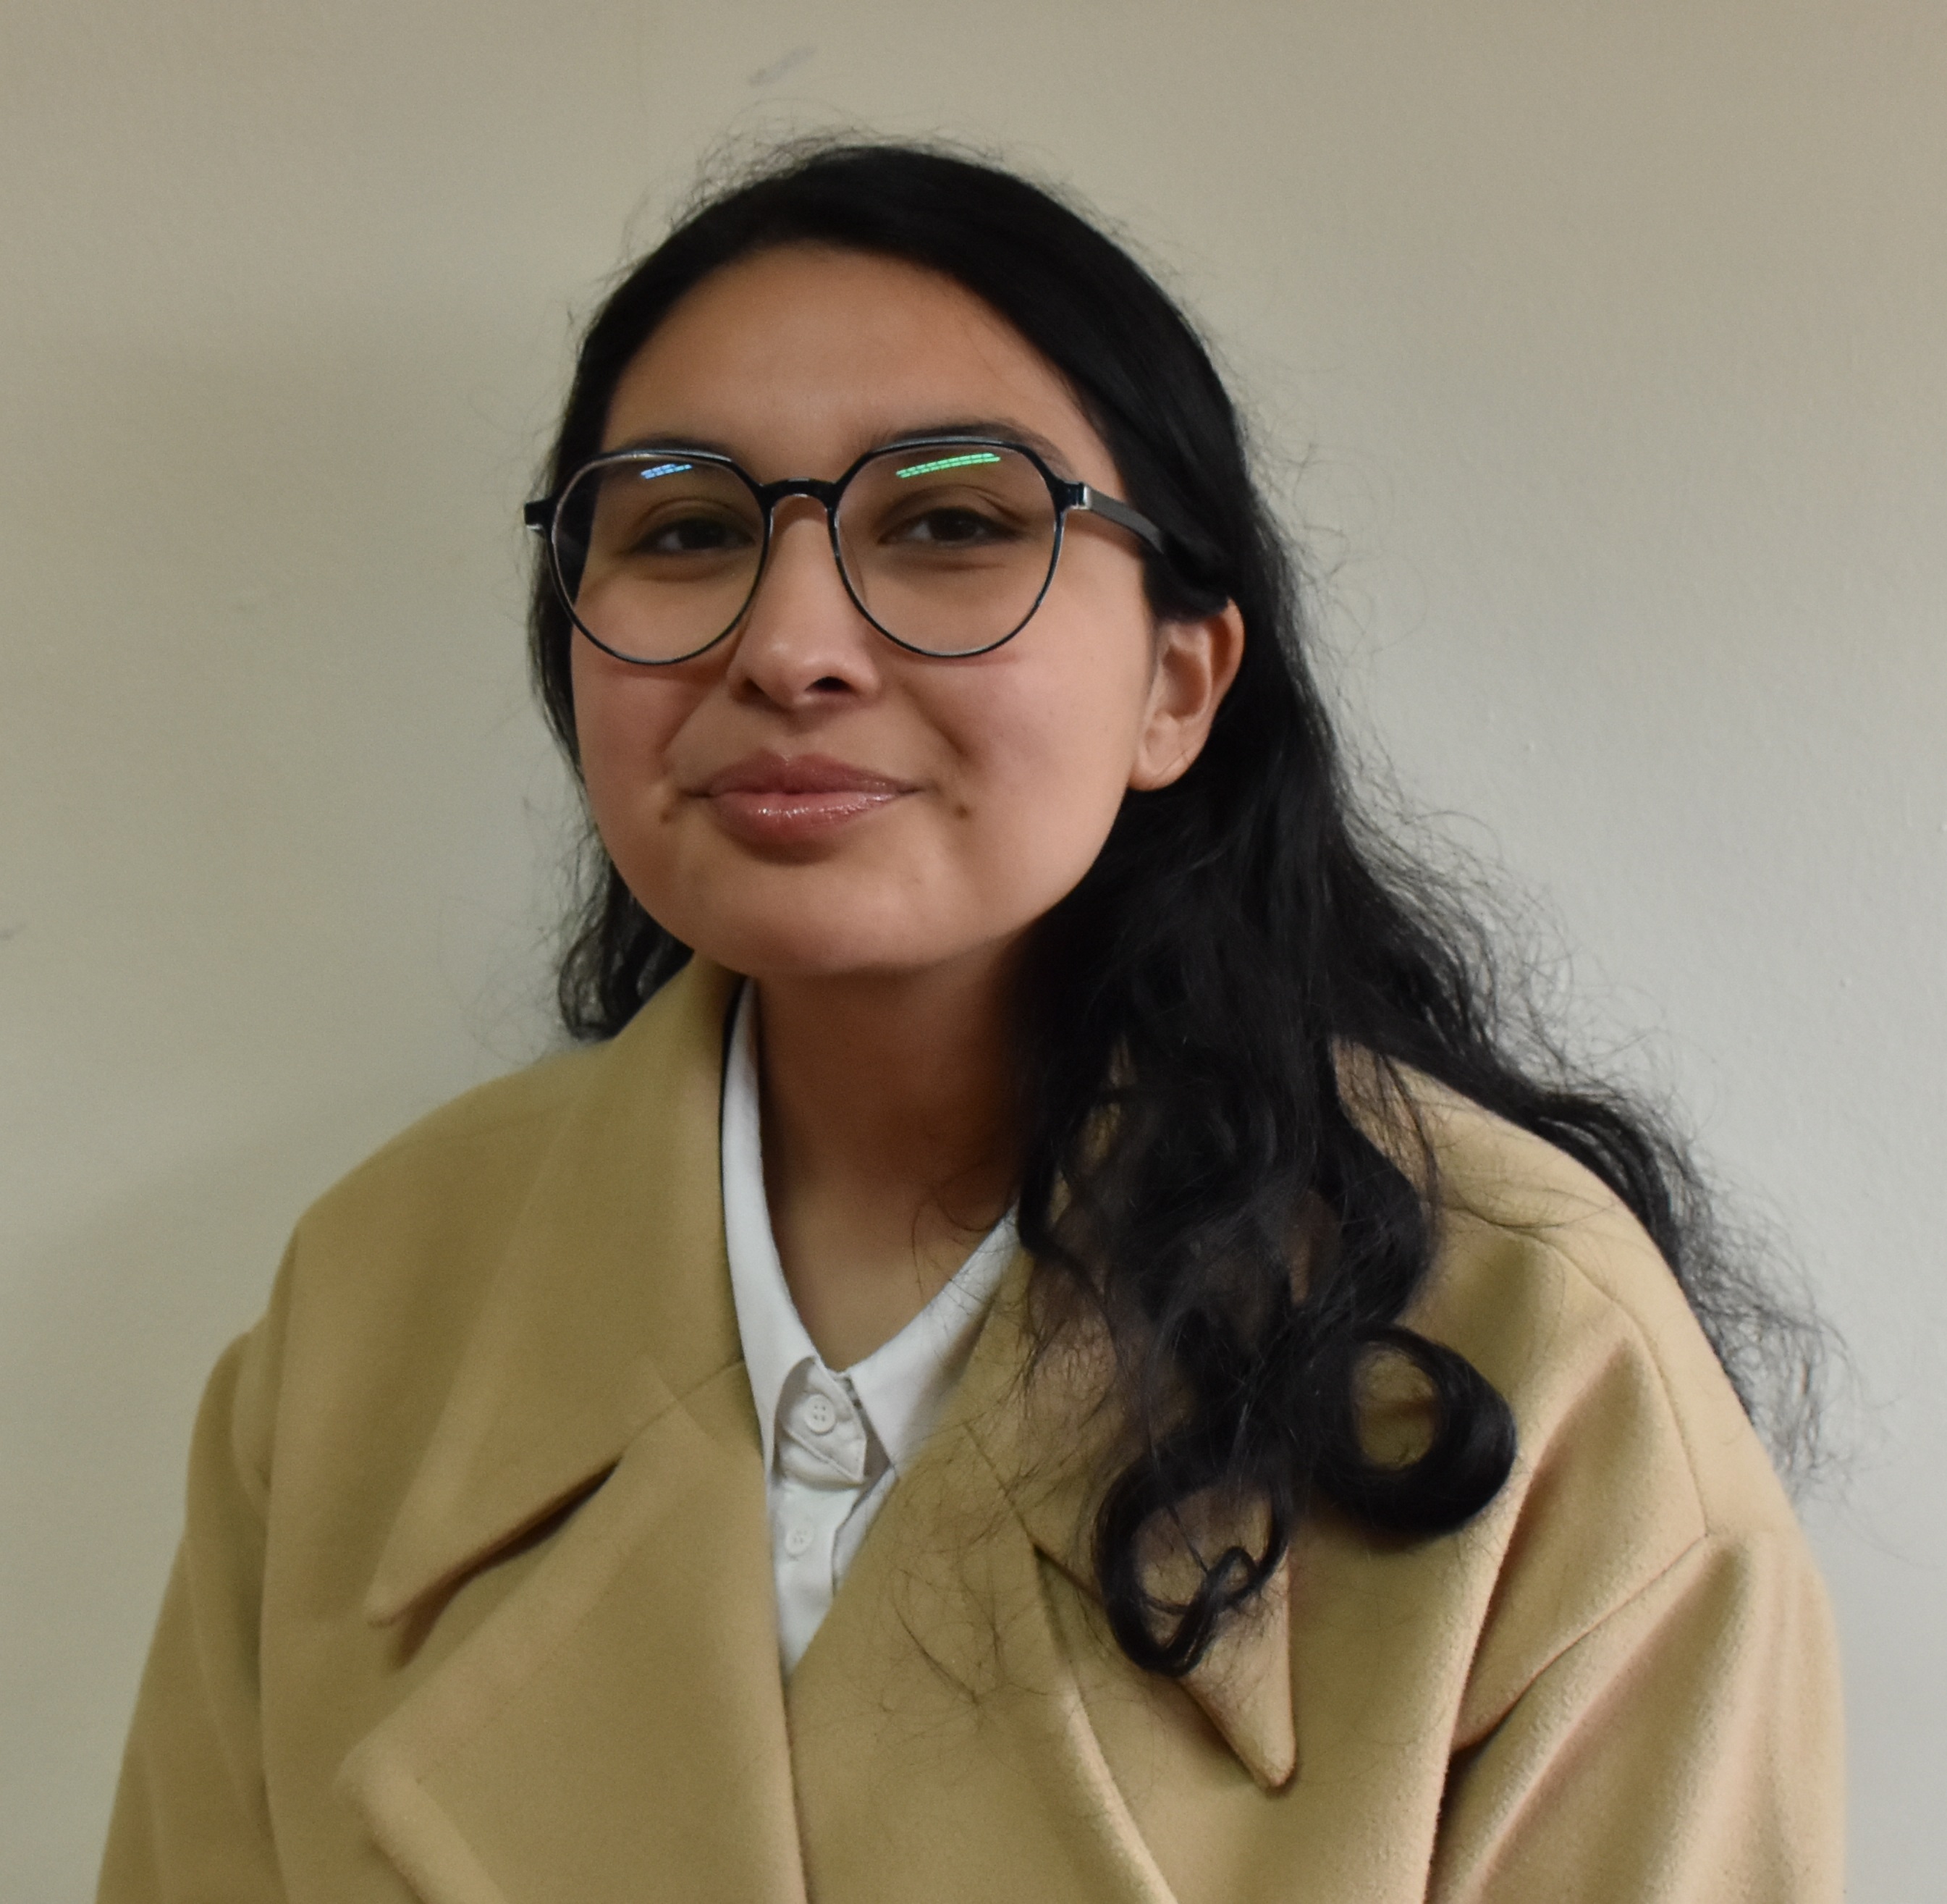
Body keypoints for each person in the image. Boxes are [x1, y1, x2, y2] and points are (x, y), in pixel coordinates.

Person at [98, 141, 1842, 1903]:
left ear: (1177, 682)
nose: (789, 645)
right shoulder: (373, 1308)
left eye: (949, 524)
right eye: (685, 530)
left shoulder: (1541, 1359)